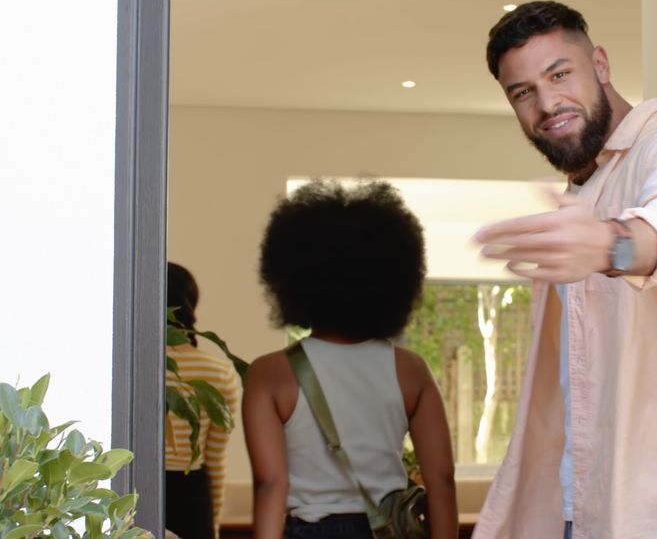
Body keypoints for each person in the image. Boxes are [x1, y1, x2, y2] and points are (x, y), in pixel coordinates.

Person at [472, 1, 657, 539]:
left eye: (560, 74)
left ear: (600, 64)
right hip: (586, 507)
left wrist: (613, 247)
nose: (547, 103)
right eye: (523, 92)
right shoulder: (578, 193)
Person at [243, 179, 458, 539]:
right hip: (386, 529)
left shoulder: (270, 373)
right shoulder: (410, 370)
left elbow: (270, 485)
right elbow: (442, 480)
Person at [165, 261, 243, 539]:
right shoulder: (219, 372)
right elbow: (215, 459)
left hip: (135, 486)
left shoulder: (133, 368)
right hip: (192, 497)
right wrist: (214, 526)